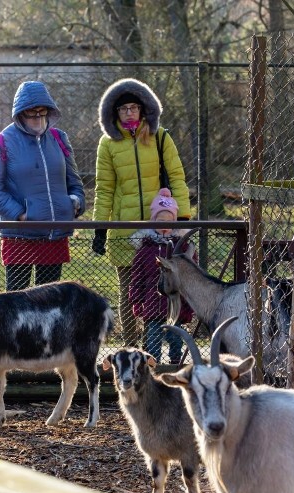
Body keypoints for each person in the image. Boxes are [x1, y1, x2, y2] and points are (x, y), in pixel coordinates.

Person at [91, 78, 192, 346]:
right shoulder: (108, 144)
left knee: (164, 289)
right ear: (114, 113)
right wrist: (100, 227)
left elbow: (177, 177)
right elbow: (105, 189)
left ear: (144, 108)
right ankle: (132, 348)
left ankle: (161, 349)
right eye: (123, 109)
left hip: (159, 226)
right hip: (124, 228)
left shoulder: (161, 137)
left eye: (134, 107)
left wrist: (182, 220)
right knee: (128, 291)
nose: (129, 113)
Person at [0, 81, 85, 291]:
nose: (38, 118)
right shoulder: (0, 142)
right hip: (20, 235)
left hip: (55, 232)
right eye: (31, 113)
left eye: (42, 111)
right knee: (17, 300)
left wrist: (75, 202)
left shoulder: (59, 138)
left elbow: (74, 181)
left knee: (49, 301)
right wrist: (20, 215)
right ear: (20, 114)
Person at [129, 189, 195, 364]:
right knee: (153, 339)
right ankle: (153, 367)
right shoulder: (146, 248)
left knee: (175, 338)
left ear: (174, 221)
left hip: (175, 303)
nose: (164, 224)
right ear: (153, 221)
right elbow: (138, 275)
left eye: (168, 220)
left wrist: (189, 304)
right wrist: (137, 300)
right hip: (152, 304)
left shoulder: (181, 248)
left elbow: (191, 276)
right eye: (160, 220)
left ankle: (176, 365)